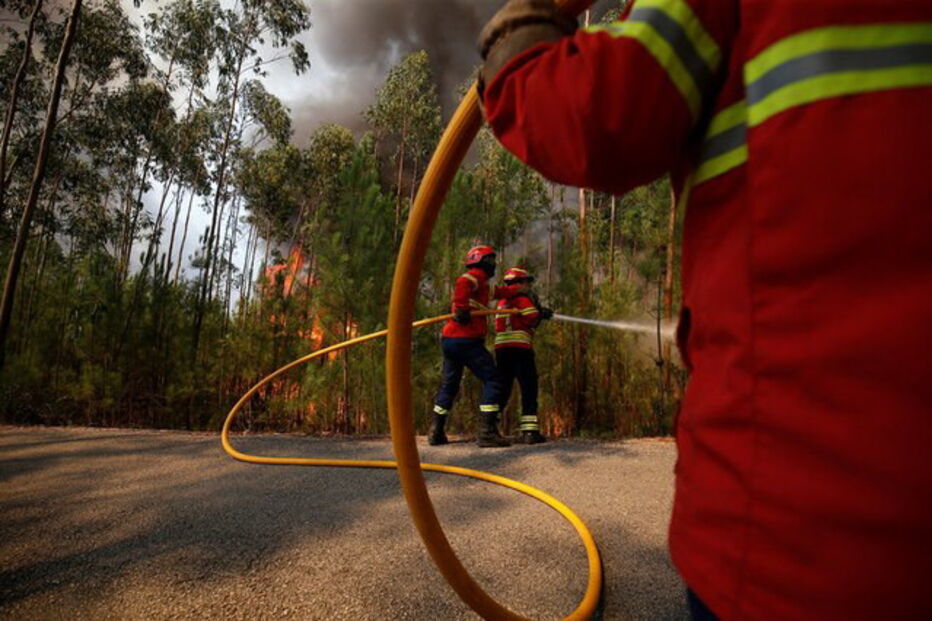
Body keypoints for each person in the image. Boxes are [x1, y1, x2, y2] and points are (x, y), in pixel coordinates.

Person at [476, 0, 932, 618]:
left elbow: (595, 113)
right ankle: (488, 428)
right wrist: (536, 317)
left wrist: (521, 30)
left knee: (501, 390)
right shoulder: (508, 298)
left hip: (783, 525)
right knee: (503, 388)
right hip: (839, 507)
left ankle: (487, 429)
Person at [429, 245, 520, 448]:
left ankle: (436, 430)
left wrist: (520, 289)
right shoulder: (474, 277)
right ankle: (487, 432)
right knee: (494, 379)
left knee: (449, 384)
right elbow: (463, 283)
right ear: (484, 261)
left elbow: (502, 291)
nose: (494, 265)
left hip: (450, 341)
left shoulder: (484, 287)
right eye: (492, 261)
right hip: (466, 340)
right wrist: (461, 307)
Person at [494, 267, 553, 444]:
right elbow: (531, 317)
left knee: (503, 389)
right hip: (520, 349)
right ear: (519, 283)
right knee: (528, 387)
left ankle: (489, 426)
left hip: (502, 350)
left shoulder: (502, 302)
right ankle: (529, 431)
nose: (528, 285)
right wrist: (542, 313)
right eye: (526, 282)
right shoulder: (522, 299)